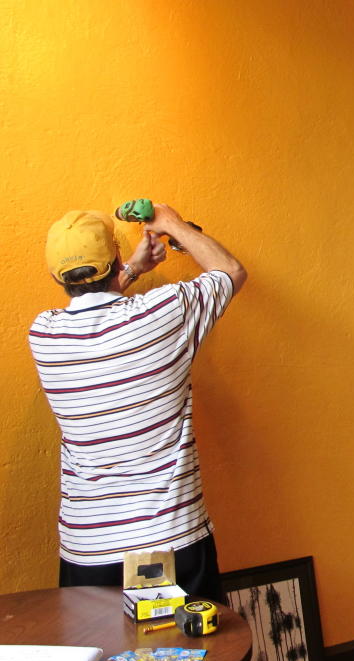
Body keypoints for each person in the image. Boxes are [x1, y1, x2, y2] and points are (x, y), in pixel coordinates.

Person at [28, 204, 246, 599]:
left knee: (103, 659)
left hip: (88, 550)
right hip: (169, 539)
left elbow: (98, 309)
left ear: (55, 275)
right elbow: (230, 271)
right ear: (112, 258)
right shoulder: (165, 312)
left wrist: (131, 270)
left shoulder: (45, 335)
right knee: (194, 659)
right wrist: (171, 223)